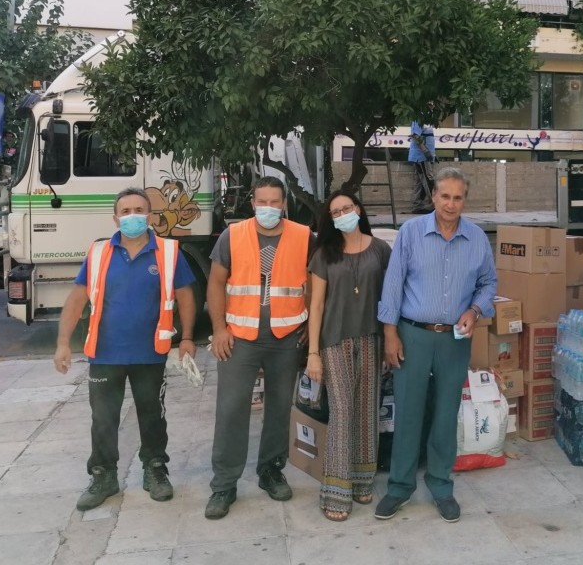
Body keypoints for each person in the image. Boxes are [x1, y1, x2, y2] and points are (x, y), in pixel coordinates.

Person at [53, 187, 198, 511]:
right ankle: (104, 476)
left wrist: (187, 337)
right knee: (103, 419)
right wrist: (63, 342)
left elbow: (186, 296)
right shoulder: (100, 252)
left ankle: (155, 470)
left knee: (152, 416)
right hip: (105, 354)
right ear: (115, 217)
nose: (132, 215)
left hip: (151, 353)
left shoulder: (169, 252)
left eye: (139, 209)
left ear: (150, 215)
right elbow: (77, 298)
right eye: (126, 210)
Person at [375, 166, 496, 523]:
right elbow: (393, 285)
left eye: (458, 197)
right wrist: (389, 333)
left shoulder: (476, 239)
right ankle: (399, 486)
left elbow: (489, 283)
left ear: (465, 200)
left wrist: (475, 310)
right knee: (408, 411)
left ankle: (441, 483)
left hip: (454, 340)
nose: (451, 203)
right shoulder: (410, 233)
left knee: (446, 412)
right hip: (412, 334)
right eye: (445, 196)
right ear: (433, 196)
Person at [205, 176, 314, 520]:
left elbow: (314, 284)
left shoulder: (303, 237)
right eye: (261, 202)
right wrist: (219, 329)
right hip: (239, 337)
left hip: (286, 337)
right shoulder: (232, 236)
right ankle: (224, 484)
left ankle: (270, 469)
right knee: (232, 409)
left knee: (280, 408)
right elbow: (216, 283)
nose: (268, 208)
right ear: (252, 203)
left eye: (274, 202)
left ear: (284, 204)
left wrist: (311, 325)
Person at [306, 191, 392, 521]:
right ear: (330, 218)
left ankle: (361, 479)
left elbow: (390, 297)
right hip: (334, 341)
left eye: (347, 207)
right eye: (336, 211)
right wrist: (313, 353)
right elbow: (315, 306)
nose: (343, 213)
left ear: (358, 209)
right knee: (342, 411)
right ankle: (336, 491)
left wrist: (389, 338)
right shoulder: (324, 254)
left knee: (367, 410)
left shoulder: (381, 249)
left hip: (371, 338)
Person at [408, 121, 436, 214]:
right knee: (428, 180)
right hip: (421, 156)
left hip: (424, 156)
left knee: (420, 182)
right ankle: (435, 204)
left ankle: (417, 205)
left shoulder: (427, 119)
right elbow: (416, 136)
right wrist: (426, 152)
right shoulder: (418, 118)